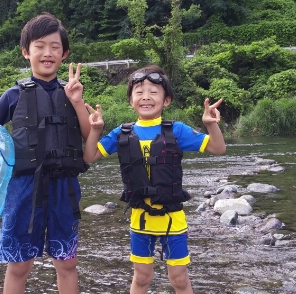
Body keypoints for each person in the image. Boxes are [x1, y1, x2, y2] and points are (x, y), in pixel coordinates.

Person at [83, 65, 226, 294]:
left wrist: (210, 124)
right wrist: (96, 130)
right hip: (140, 218)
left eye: (153, 92)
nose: (146, 97)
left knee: (179, 278)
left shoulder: (176, 131)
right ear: (131, 100)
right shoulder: (122, 133)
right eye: (139, 92)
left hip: (172, 218)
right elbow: (90, 156)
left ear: (166, 100)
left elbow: (218, 148)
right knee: (141, 277)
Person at [0, 13, 90, 294]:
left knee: (67, 262)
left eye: (54, 47)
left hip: (64, 185)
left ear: (64, 54)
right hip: (23, 187)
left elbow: (89, 135)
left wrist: (78, 103)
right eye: (39, 46)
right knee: (19, 264)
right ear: (26, 52)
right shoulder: (12, 95)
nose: (47, 53)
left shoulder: (72, 93)